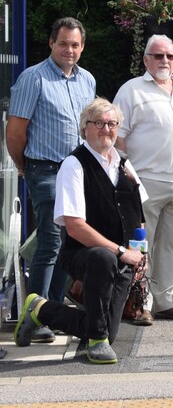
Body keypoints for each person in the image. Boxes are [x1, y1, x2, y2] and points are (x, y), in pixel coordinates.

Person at [13, 99, 144, 364]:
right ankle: (96, 341)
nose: (106, 129)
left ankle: (41, 308)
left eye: (111, 124)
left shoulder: (125, 165)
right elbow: (75, 226)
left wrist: (142, 254)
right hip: (82, 256)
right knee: (102, 258)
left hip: (122, 259)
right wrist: (120, 251)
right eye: (99, 123)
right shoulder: (73, 165)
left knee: (109, 330)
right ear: (85, 128)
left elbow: (138, 219)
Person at [6, 17, 96, 345]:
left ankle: (54, 311)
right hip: (43, 170)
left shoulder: (87, 80)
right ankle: (36, 313)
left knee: (70, 240)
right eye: (63, 43)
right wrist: (24, 167)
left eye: (75, 44)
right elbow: (15, 131)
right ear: (51, 43)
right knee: (50, 241)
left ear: (82, 47)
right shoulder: (34, 78)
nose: (69, 50)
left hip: (75, 172)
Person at [112, 35, 173, 323]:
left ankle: (168, 300)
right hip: (144, 180)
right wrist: (128, 177)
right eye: (158, 56)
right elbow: (117, 138)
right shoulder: (131, 90)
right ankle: (140, 302)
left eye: (170, 57)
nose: (165, 61)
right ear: (146, 59)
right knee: (141, 245)